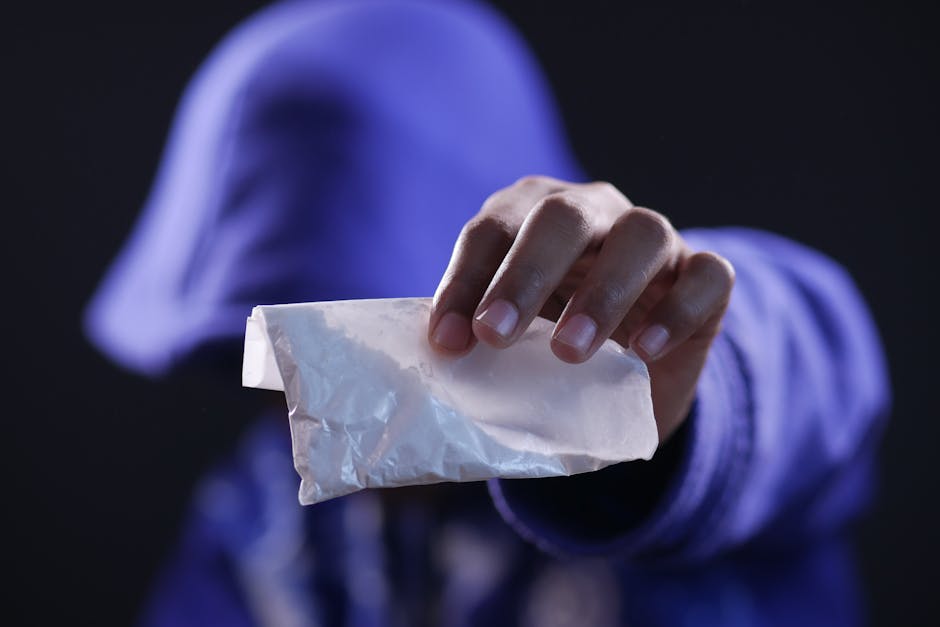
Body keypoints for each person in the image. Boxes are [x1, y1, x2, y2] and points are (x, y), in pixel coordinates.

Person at [84, 1, 890, 625]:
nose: (321, 404)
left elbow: (818, 379)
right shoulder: (257, 524)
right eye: (290, 365)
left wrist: (677, 389)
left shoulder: (664, 466)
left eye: (372, 346)